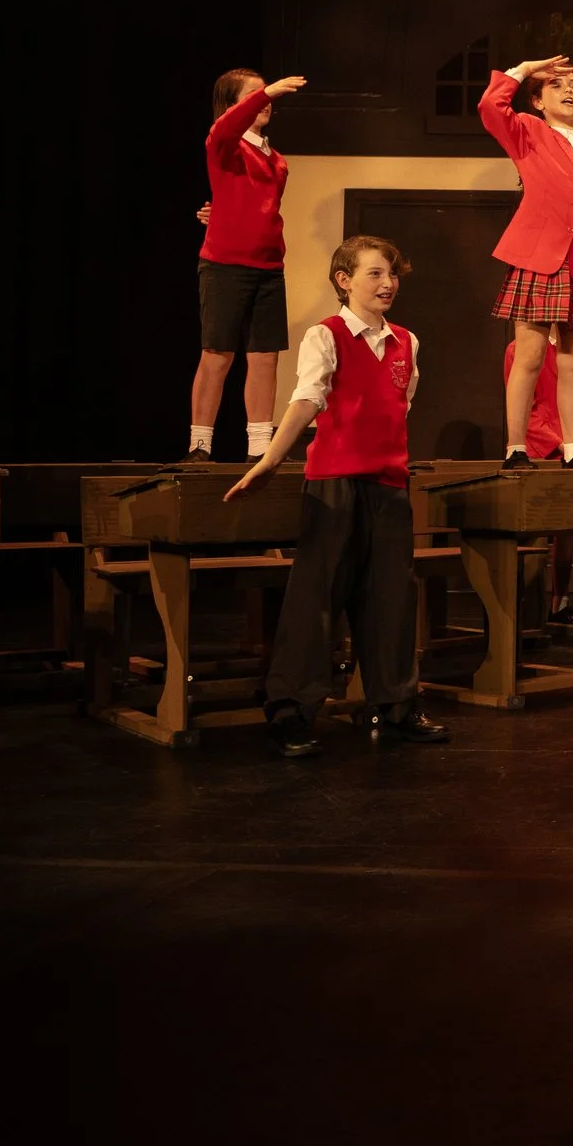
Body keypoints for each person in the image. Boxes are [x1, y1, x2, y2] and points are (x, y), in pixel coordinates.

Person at [228, 236, 450, 757]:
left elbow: (400, 403)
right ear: (344, 281)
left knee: (392, 599)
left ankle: (396, 706)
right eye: (375, 274)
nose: (388, 283)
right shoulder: (325, 335)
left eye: (392, 274)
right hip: (334, 482)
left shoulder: (407, 341)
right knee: (318, 596)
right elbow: (308, 399)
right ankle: (292, 708)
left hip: (388, 484)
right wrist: (271, 460)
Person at [480, 53, 573, 470]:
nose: (568, 91)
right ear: (538, 101)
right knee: (529, 355)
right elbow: (490, 106)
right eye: (557, 85)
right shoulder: (529, 130)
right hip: (539, 257)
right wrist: (523, 70)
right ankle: (516, 448)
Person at [188, 68, 304, 463]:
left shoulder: (275, 158)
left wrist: (219, 210)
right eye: (254, 94)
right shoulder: (226, 143)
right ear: (233, 104)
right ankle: (200, 445)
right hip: (226, 265)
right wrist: (268, 91)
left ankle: (260, 448)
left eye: (265, 93)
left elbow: (251, 205)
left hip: (269, 268)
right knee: (218, 354)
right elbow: (224, 129)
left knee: (265, 356)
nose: (265, 100)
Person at [505, 337, 573, 620]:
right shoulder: (518, 349)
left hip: (572, 449)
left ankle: (559, 603)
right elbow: (524, 407)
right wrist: (557, 442)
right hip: (537, 450)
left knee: (567, 531)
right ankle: (528, 613)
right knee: (534, 533)